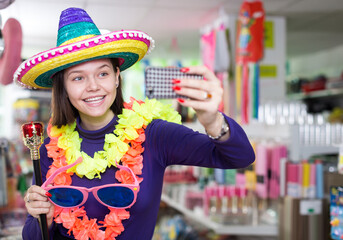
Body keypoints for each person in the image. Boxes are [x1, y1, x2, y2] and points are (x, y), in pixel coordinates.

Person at [15, 7, 255, 240]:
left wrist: (213, 120)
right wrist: (42, 218)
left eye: (102, 73)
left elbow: (240, 157)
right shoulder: (50, 147)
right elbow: (32, 235)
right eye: (78, 78)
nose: (93, 86)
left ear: (117, 77)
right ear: (64, 89)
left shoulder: (153, 135)